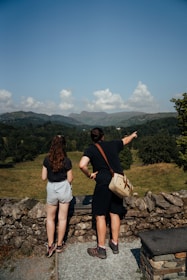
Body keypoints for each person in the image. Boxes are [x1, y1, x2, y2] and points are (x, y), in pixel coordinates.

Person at [79, 128, 137, 259]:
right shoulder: (113, 144)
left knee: (100, 216)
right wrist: (133, 135)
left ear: (92, 138)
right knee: (115, 213)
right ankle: (115, 243)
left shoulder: (91, 149)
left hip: (103, 184)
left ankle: (101, 248)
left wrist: (90, 174)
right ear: (103, 137)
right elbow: (125, 140)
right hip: (117, 184)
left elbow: (82, 165)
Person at [42, 135, 73, 257]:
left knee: (50, 218)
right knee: (62, 218)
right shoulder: (66, 160)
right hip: (63, 187)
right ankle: (59, 245)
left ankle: (50, 245)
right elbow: (70, 178)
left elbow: (44, 177)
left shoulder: (46, 159)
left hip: (51, 188)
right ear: (64, 145)